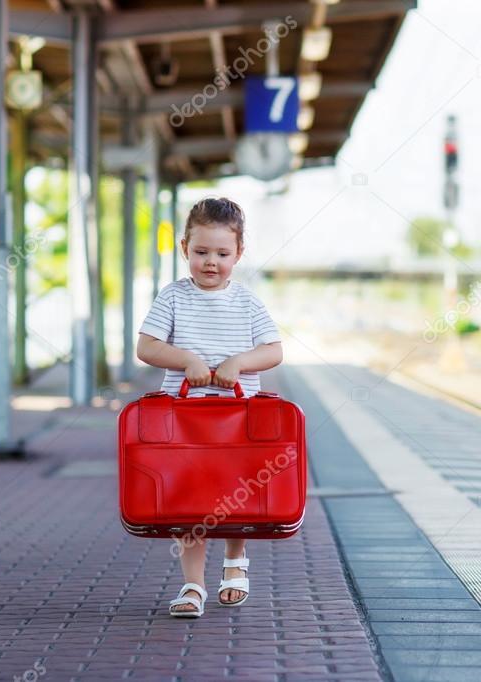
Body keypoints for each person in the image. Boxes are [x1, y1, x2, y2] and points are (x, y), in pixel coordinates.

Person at [135, 197, 284, 617]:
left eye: (222, 253)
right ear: (184, 248)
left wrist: (239, 362)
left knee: (238, 495)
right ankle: (193, 584)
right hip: (186, 420)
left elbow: (273, 350)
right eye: (201, 252)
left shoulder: (247, 302)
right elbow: (146, 347)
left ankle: (235, 563)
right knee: (190, 499)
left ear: (239, 253)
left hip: (239, 418)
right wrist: (186, 360)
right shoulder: (173, 298)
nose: (211, 262)